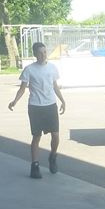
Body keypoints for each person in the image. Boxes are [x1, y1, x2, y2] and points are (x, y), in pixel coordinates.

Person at [8, 42, 66, 179]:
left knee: (55, 135)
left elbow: (55, 86)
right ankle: (35, 166)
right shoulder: (29, 70)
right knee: (36, 137)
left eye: (45, 52)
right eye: (40, 53)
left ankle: (53, 156)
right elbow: (22, 89)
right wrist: (14, 101)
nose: (43, 55)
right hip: (35, 106)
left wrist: (63, 101)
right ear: (35, 54)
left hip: (50, 105)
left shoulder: (52, 68)